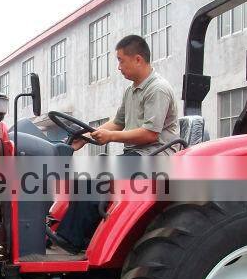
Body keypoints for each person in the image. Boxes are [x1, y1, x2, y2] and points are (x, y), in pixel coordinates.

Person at [50, 35, 179, 253]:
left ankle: (72, 240)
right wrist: (87, 135)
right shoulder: (131, 91)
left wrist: (109, 137)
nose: (118, 67)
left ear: (138, 59)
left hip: (156, 156)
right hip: (137, 155)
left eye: (121, 60)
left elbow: (150, 134)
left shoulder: (157, 89)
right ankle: (74, 235)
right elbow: (117, 122)